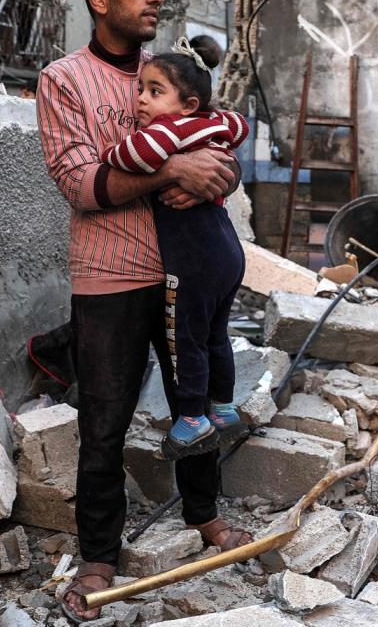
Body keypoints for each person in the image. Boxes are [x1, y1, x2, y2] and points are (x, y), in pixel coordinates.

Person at [36, 0, 251, 623]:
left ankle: (207, 516)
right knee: (103, 422)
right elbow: (81, 183)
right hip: (109, 277)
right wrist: (172, 172)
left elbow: (221, 154)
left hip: (187, 272)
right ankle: (98, 555)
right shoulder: (64, 79)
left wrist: (218, 173)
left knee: (199, 398)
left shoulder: (177, 74)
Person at [98, 36, 249, 461]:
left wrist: (109, 151)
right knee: (216, 334)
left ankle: (191, 419)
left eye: (155, 91)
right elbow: (240, 125)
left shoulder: (169, 131)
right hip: (225, 249)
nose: (141, 100)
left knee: (183, 339)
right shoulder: (212, 124)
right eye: (141, 89)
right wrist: (213, 124)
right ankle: (223, 408)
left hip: (193, 256)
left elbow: (129, 156)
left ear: (187, 103)